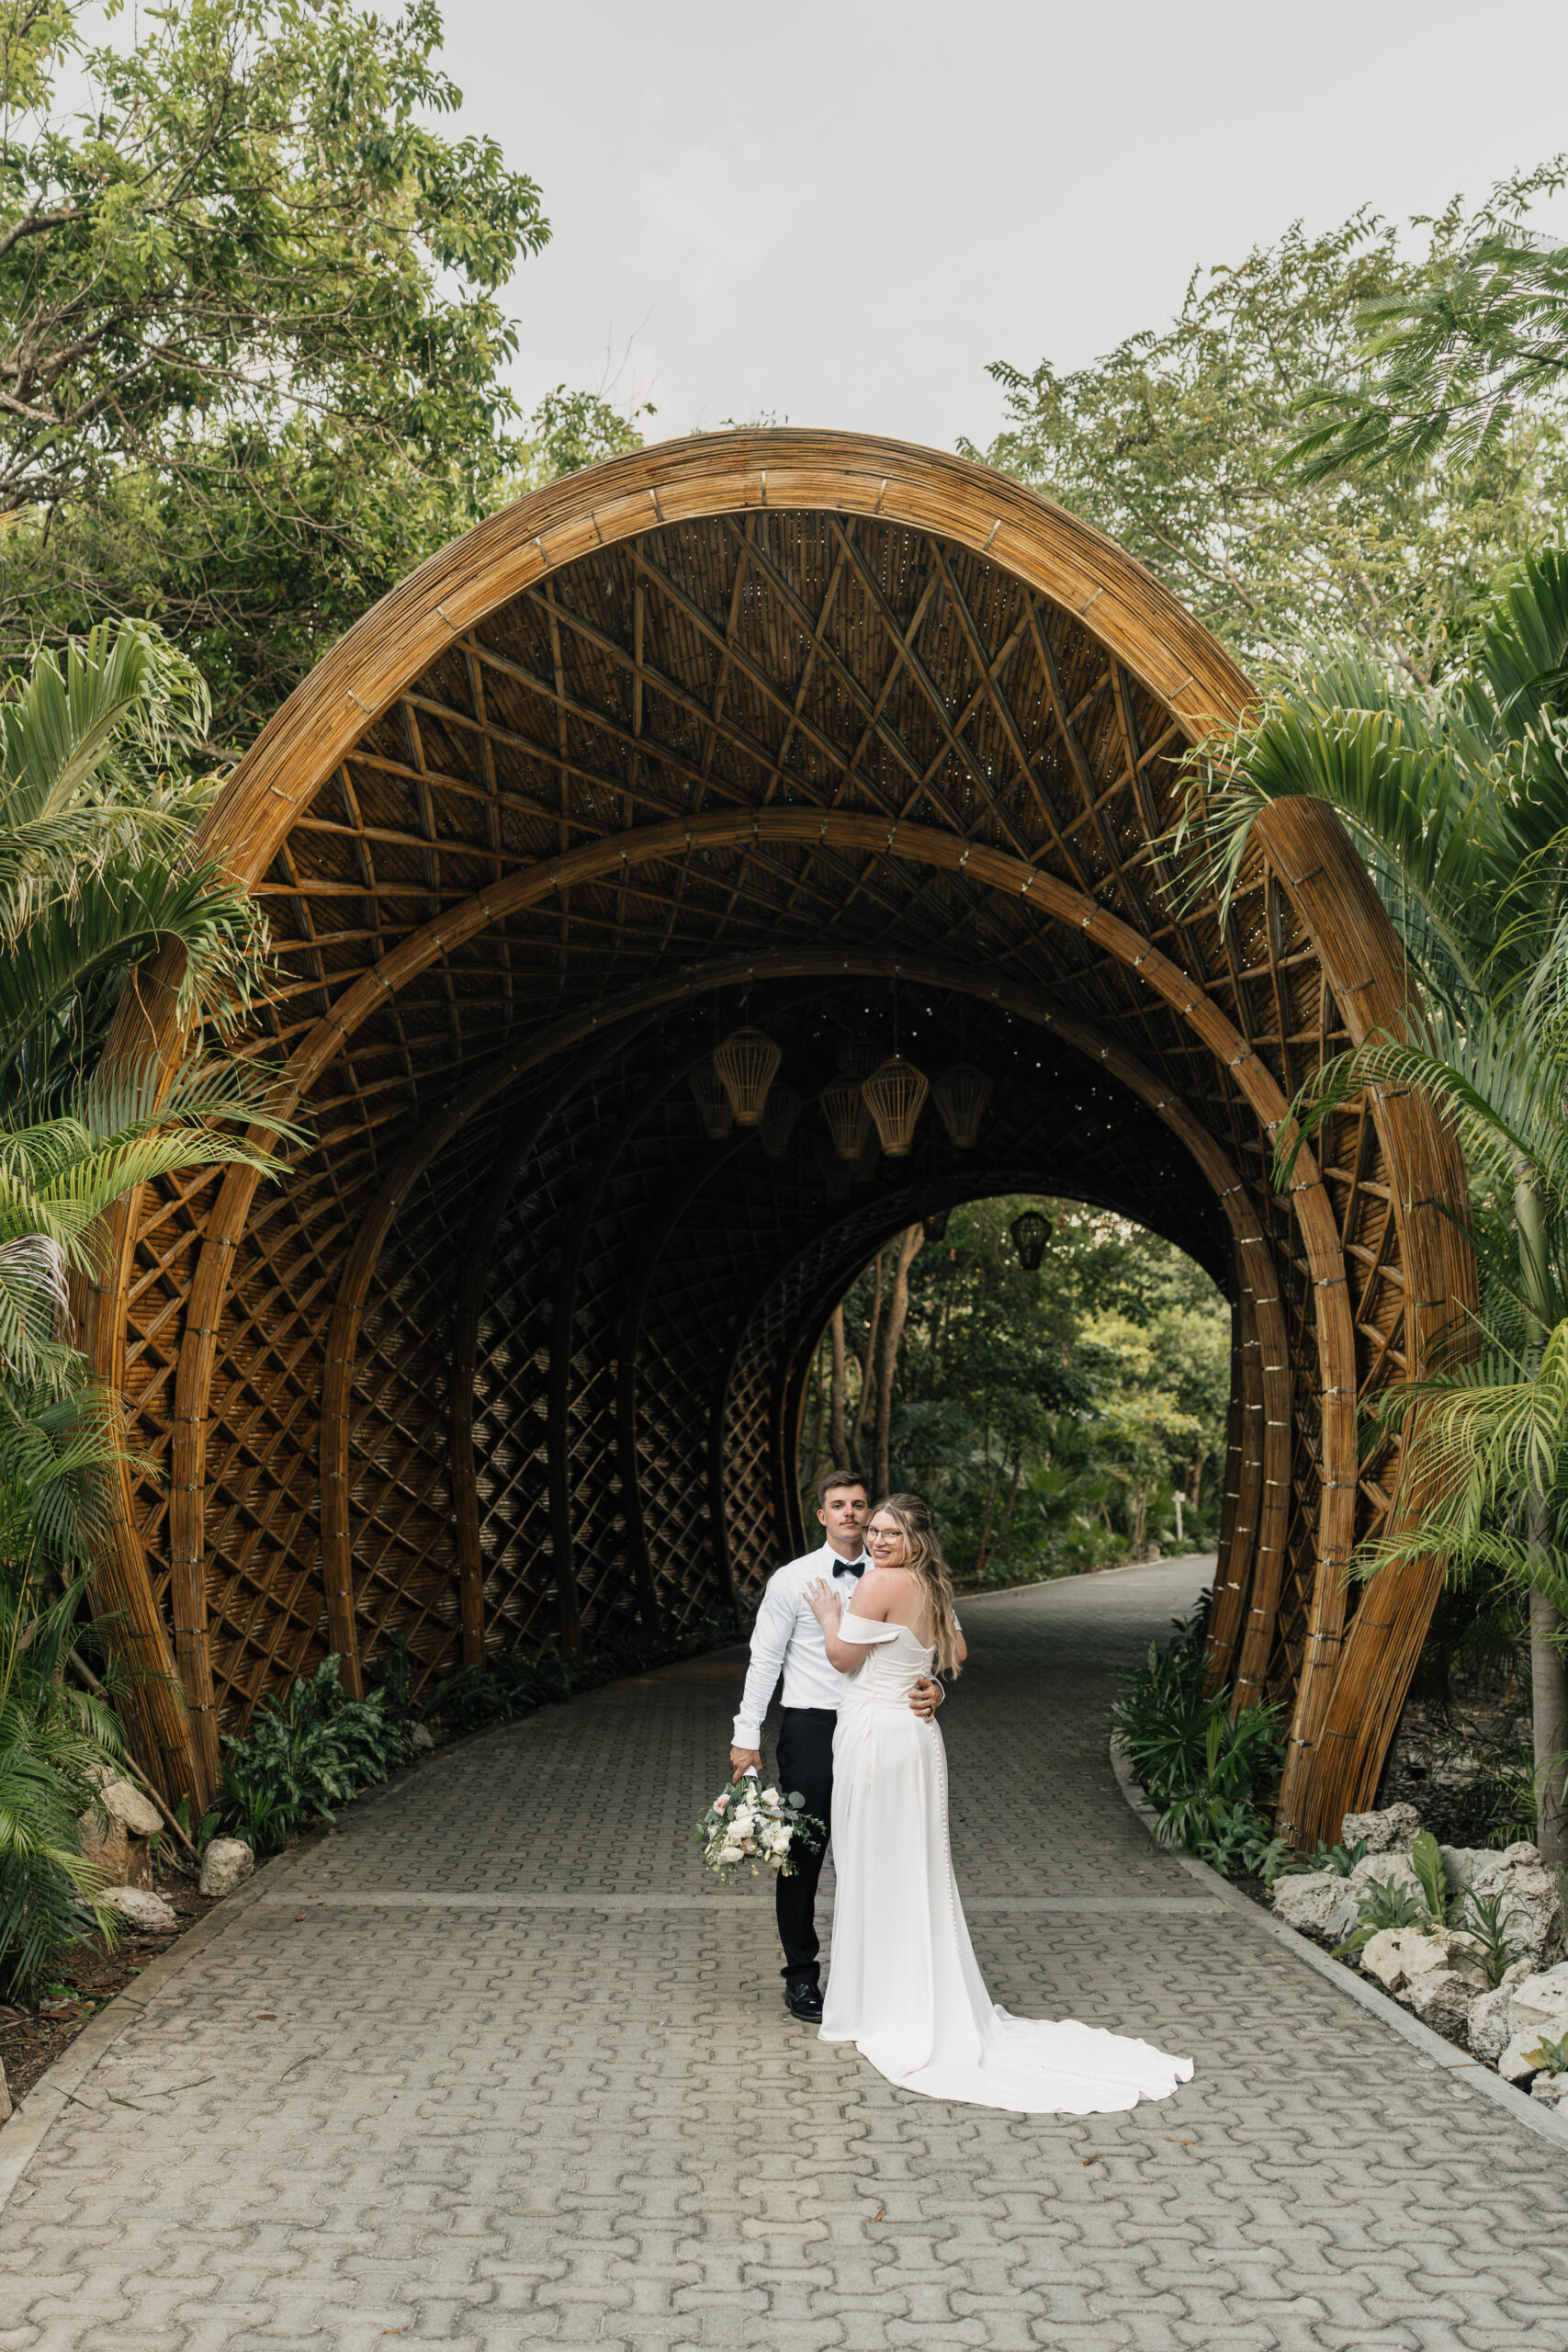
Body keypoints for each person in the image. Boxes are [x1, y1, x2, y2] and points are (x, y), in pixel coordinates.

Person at [804, 1492, 1194, 2115]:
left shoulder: (879, 1582)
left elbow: (843, 1657)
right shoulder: (932, 1586)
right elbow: (954, 1654)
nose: (877, 1541)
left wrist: (830, 1613)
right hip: (916, 1737)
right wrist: (926, 1682)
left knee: (874, 1866)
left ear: (916, 1539)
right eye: (873, 1531)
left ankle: (879, 2006)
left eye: (890, 1533)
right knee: (914, 1870)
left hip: (877, 1736)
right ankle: (909, 1994)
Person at [730, 1468, 946, 2023]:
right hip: (812, 1730)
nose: (851, 1513)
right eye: (838, 1505)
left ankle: (877, 1976)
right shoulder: (791, 1580)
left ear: (875, 1516)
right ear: (822, 1516)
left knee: (878, 1850)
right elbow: (764, 1660)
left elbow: (941, 1640)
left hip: (878, 1729)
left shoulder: (905, 1573)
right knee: (804, 1854)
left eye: (859, 1504)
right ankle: (801, 1977)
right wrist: (745, 1736)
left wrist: (935, 1686)